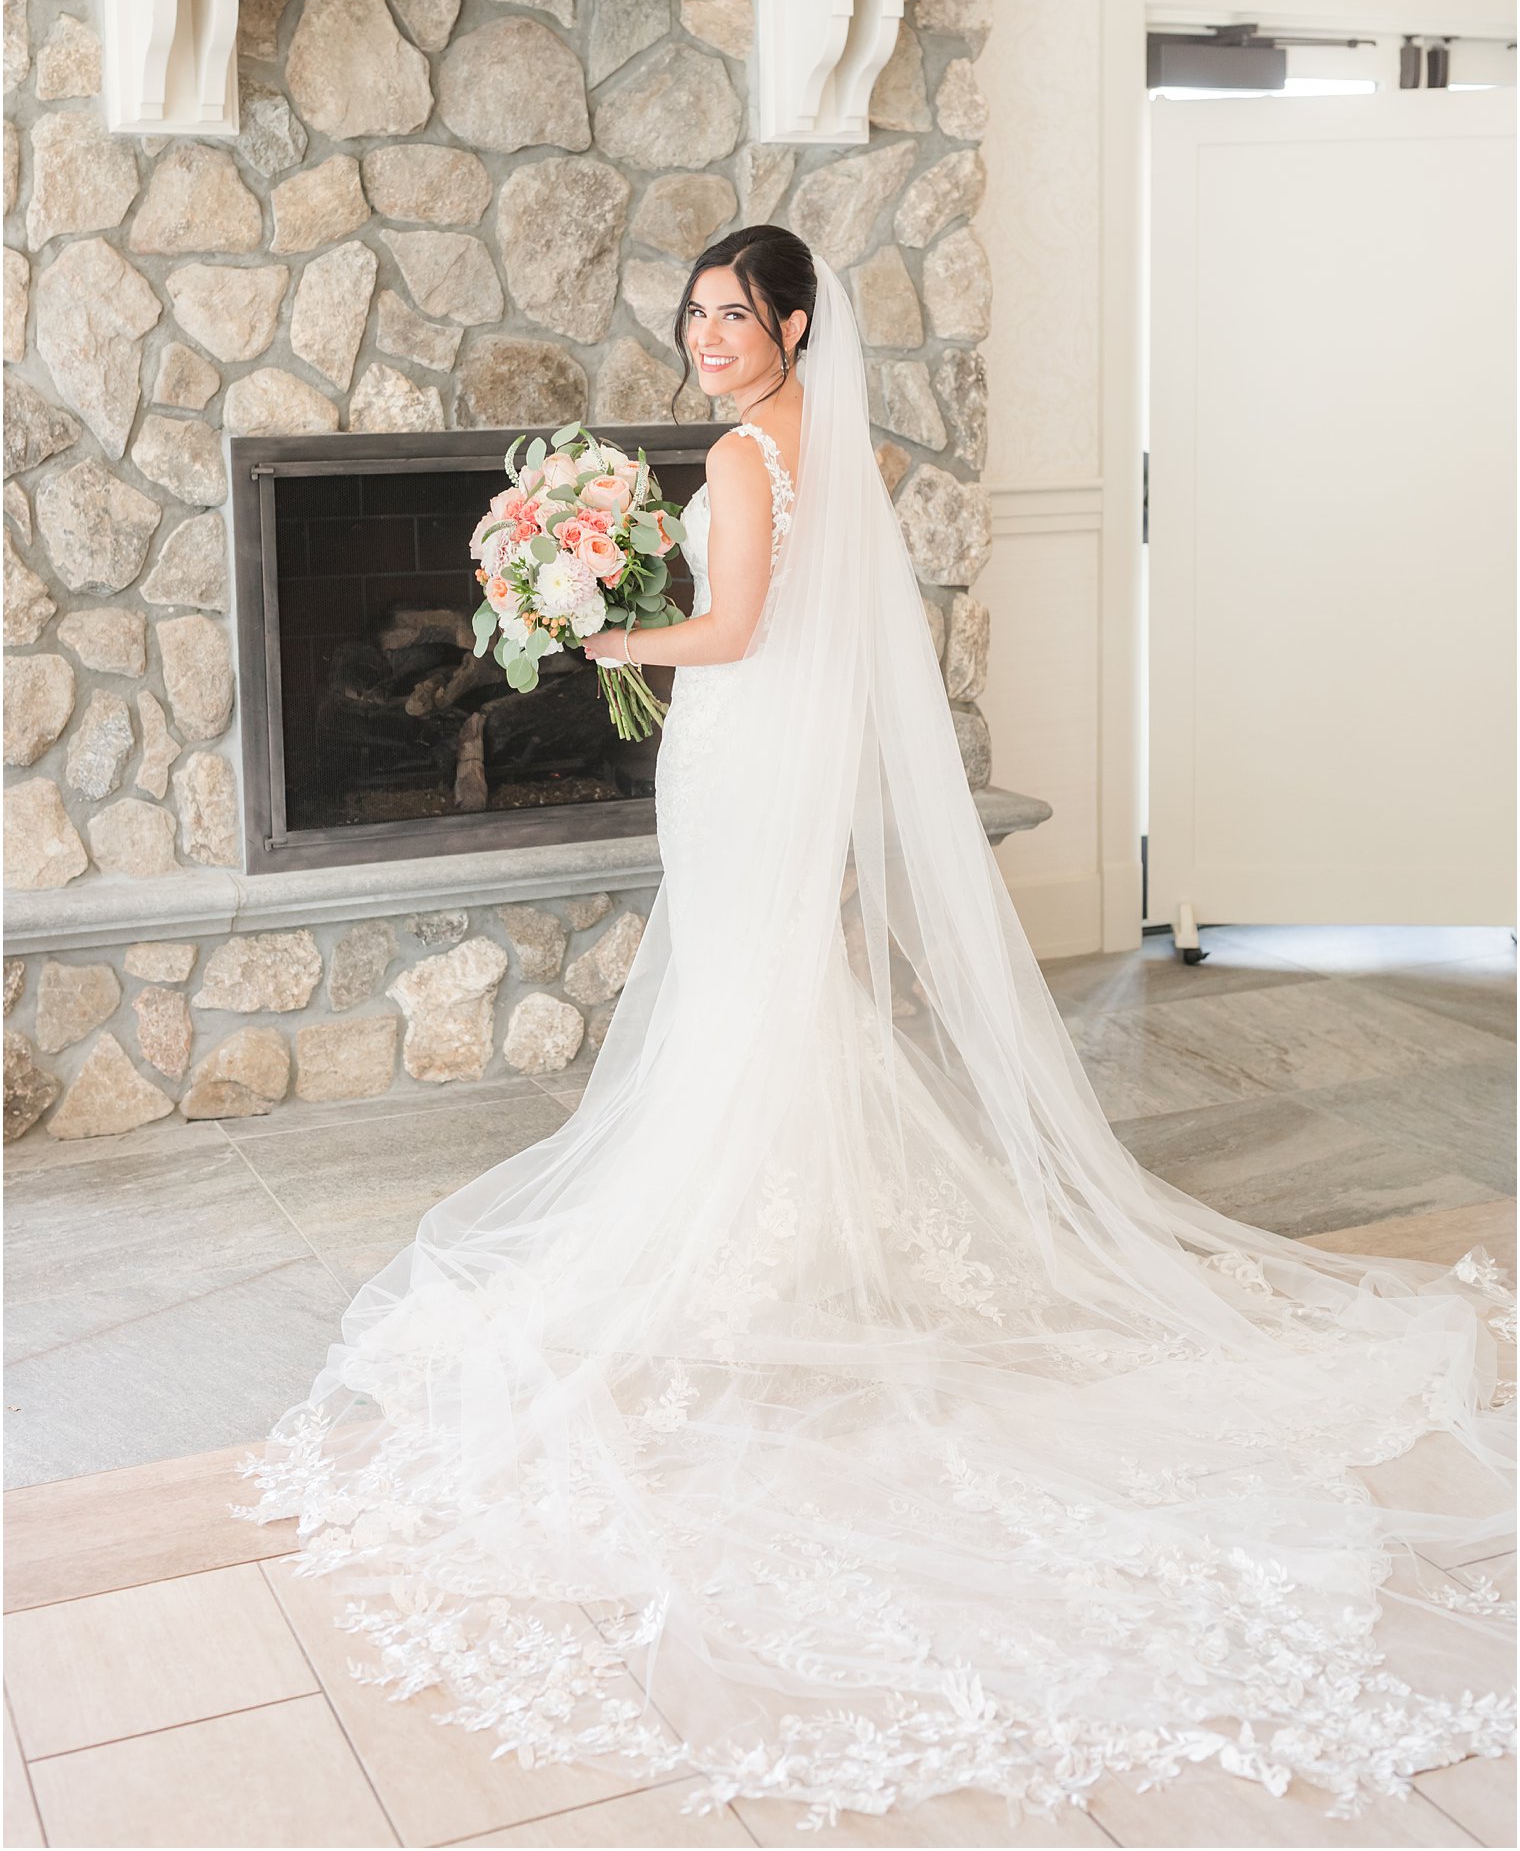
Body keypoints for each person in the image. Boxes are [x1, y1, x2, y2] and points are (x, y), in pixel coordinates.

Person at [245, 228, 1514, 1831]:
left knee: (747, 990)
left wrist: (602, 634)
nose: (708, 335)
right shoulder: (829, 438)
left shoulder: (741, 450)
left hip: (744, 745)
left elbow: (740, 632)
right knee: (768, 989)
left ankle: (735, 1243)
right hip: (773, 761)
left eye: (735, 313)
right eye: (695, 312)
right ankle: (796, 1222)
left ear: (791, 324)